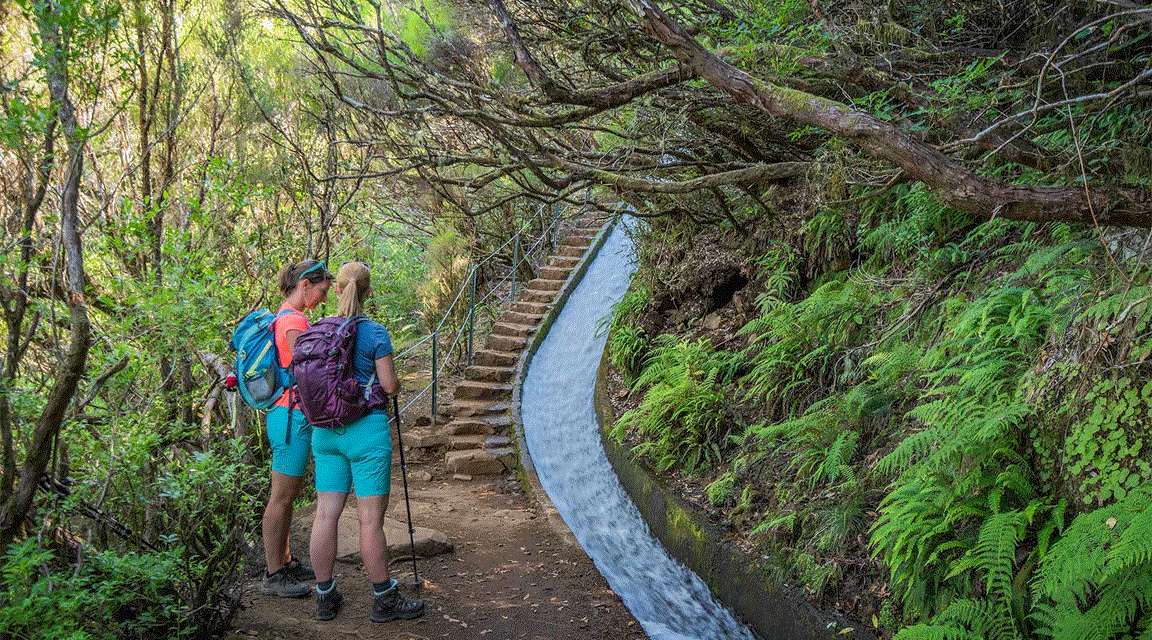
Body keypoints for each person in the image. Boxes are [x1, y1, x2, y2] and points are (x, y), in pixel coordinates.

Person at [308, 261, 425, 622]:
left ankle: (325, 597)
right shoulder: (374, 333)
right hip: (366, 433)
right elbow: (389, 386)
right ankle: (384, 601)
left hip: (325, 432)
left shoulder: (318, 329)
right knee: (370, 521)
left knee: (326, 513)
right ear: (368, 291)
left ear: (338, 288)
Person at [261, 259, 334, 597]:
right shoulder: (293, 320)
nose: (323, 296)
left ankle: (284, 561)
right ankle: (274, 573)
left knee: (288, 497)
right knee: (281, 496)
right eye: (321, 290)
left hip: (290, 415)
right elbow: (311, 369)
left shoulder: (289, 315)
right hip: (289, 417)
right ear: (305, 284)